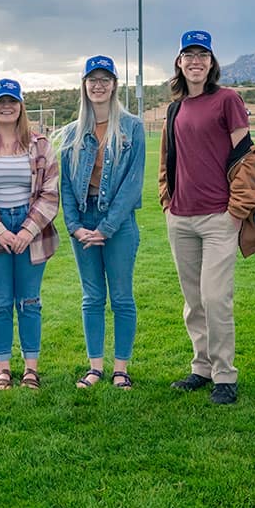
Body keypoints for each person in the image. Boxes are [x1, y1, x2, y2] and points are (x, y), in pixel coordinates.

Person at [158, 31, 255, 405]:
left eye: (202, 55)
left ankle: (225, 375)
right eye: (189, 55)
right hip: (181, 218)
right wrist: (166, 199)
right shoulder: (175, 108)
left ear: (212, 62)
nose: (195, 62)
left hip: (219, 217)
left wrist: (237, 210)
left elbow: (246, 156)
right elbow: (167, 160)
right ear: (179, 63)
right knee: (194, 300)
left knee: (216, 298)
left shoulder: (227, 100)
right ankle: (201, 367)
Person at [0, 78, 60, 390]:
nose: (7, 106)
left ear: (21, 106)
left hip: (33, 230)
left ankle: (31, 368)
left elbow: (50, 193)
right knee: (0, 301)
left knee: (30, 301)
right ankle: (3, 367)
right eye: (0, 101)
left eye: (12, 101)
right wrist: (1, 231)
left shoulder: (40, 144)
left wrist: (26, 231)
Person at [59, 56, 146, 390]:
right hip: (84, 220)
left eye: (104, 79)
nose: (98, 85)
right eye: (92, 79)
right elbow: (65, 185)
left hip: (119, 223)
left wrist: (107, 228)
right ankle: (95, 367)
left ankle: (121, 369)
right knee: (92, 297)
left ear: (114, 84)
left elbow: (133, 183)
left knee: (122, 297)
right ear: (84, 85)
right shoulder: (71, 134)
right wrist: (74, 225)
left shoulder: (132, 128)